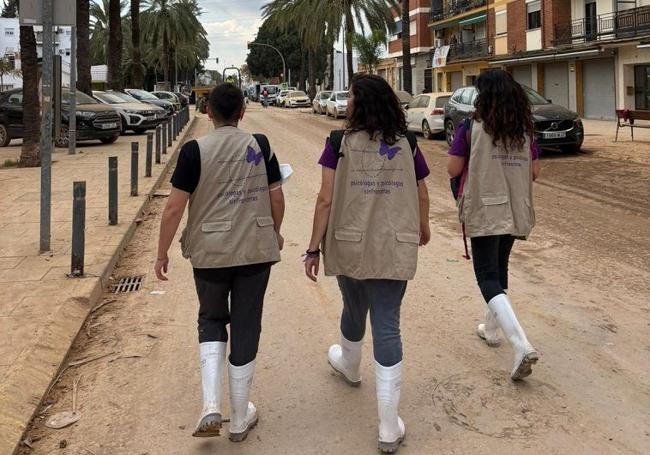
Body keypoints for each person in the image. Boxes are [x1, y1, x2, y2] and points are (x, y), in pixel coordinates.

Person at [304, 74, 431, 453]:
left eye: (352, 99)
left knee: (353, 306)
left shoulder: (337, 143)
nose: (347, 105)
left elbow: (325, 199)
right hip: (394, 245)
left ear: (360, 104)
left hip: (349, 245)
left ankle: (351, 365)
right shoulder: (407, 143)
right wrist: (422, 227)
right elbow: (422, 190)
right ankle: (389, 427)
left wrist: (312, 248)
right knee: (388, 325)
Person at [155, 83, 285, 441]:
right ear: (243, 111)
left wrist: (162, 252)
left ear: (207, 112)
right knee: (246, 324)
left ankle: (211, 405)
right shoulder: (260, 145)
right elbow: (277, 198)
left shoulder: (193, 151)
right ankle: (240, 419)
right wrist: (273, 232)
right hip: (255, 253)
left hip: (210, 254)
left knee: (211, 318)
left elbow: (174, 208)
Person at [447, 69, 540, 381]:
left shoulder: (470, 128)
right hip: (514, 207)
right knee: (500, 268)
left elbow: (453, 168)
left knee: (486, 276)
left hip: (486, 208)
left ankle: (520, 343)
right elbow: (535, 172)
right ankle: (491, 329)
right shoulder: (525, 131)